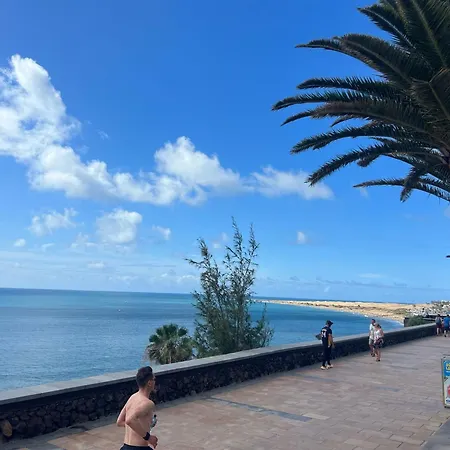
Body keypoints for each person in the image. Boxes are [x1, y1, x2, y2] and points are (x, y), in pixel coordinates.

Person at [117, 366, 159, 450]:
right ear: (149, 383)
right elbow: (129, 420)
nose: (155, 382)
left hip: (125, 447)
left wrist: (139, 428)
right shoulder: (148, 403)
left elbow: (120, 421)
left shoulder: (132, 397)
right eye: (154, 379)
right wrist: (148, 437)